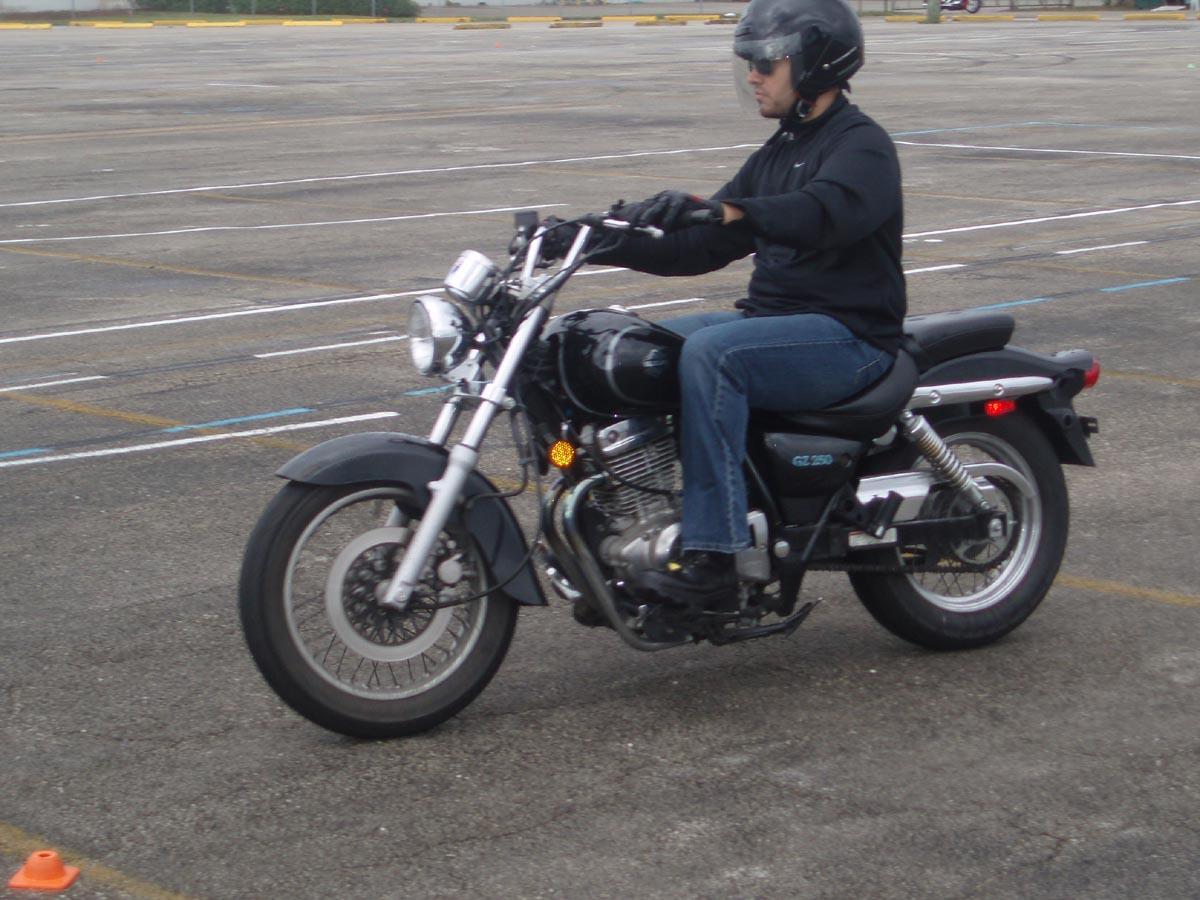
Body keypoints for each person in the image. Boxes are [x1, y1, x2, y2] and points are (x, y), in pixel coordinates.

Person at [545, 0, 906, 611]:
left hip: (851, 336)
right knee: (631, 350)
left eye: (767, 63)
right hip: (775, 325)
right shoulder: (778, 152)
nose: (754, 76)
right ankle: (622, 526)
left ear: (815, 64)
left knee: (713, 355)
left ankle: (716, 557)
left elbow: (823, 212)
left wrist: (729, 210)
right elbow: (697, 247)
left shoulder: (862, 146)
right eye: (750, 64)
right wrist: (587, 237)